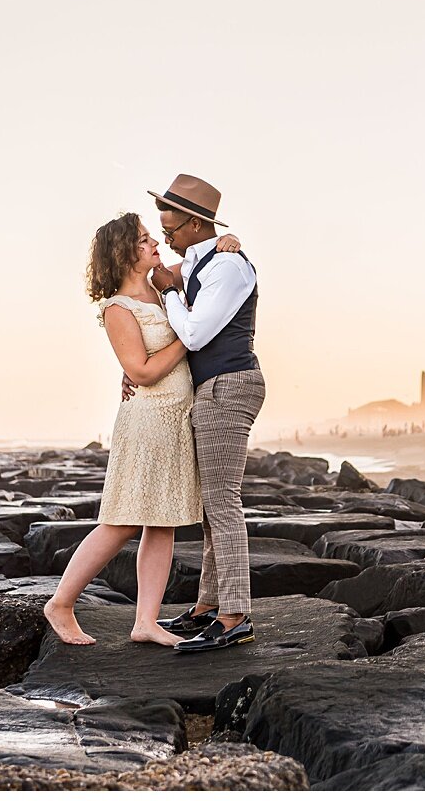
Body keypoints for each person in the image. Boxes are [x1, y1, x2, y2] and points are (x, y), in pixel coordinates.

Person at [43, 212, 239, 647]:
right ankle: (60, 603)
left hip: (177, 417)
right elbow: (142, 371)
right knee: (124, 519)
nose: (156, 243)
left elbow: (209, 259)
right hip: (148, 420)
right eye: (145, 239)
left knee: (163, 522)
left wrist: (230, 241)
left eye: (153, 236)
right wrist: (188, 341)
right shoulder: (117, 307)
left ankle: (145, 623)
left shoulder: (165, 281)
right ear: (123, 253)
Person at [143, 174, 266, 653]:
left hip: (229, 386)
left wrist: (171, 290)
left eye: (169, 225)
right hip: (215, 387)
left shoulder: (229, 267)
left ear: (195, 223)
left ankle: (234, 616)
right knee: (213, 506)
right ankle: (208, 608)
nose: (164, 234)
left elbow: (194, 335)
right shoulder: (204, 259)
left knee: (222, 502)